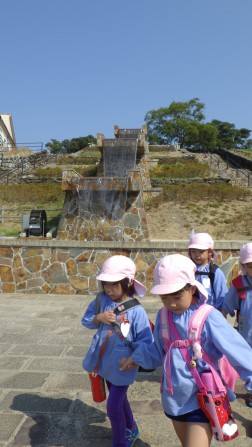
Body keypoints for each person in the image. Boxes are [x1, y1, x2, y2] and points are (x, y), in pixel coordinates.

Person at [120, 254, 252, 447]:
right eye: (165, 297)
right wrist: (134, 358)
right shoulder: (164, 316)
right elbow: (157, 349)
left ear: (192, 288)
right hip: (174, 398)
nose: (172, 303)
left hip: (204, 397)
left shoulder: (209, 316)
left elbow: (238, 351)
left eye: (177, 296)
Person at [81, 255, 153, 447]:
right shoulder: (101, 300)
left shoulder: (137, 311)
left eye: (114, 284)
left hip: (124, 366)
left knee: (113, 407)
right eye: (106, 284)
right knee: (119, 400)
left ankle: (120, 442)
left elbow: (146, 341)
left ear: (128, 283)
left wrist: (134, 358)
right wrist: (98, 318)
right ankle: (131, 427)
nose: (109, 289)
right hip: (105, 362)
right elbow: (86, 320)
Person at [222, 242, 252, 407]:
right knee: (249, 363)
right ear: (243, 266)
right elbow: (227, 304)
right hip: (246, 334)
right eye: (250, 266)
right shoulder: (239, 284)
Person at [188, 232, 228, 310]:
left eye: (201, 251)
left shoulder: (214, 272)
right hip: (190, 313)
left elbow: (222, 296)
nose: (197, 255)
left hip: (208, 314)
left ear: (209, 252)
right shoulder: (187, 269)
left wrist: (219, 315)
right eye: (193, 251)